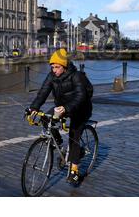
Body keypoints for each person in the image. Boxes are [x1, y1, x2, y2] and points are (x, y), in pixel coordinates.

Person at [26, 48, 92, 186]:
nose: (54, 70)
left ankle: (74, 170)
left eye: (57, 67)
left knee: (74, 136)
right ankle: (57, 141)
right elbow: (42, 93)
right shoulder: (51, 76)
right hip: (62, 107)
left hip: (81, 107)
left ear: (64, 66)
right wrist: (34, 108)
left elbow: (81, 96)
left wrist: (67, 108)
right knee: (45, 118)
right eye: (52, 67)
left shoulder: (76, 76)